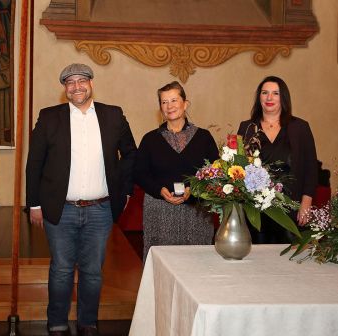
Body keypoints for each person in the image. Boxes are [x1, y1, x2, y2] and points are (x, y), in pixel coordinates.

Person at [26, 63, 137, 336]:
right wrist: (34, 203)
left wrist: (124, 192)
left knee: (92, 272)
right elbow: (34, 162)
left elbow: (130, 155)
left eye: (81, 80)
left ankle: (88, 326)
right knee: (61, 270)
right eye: (70, 82)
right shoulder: (50, 117)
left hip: (100, 210)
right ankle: (57, 328)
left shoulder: (113, 115)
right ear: (65, 88)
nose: (76, 86)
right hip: (59, 210)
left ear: (91, 83)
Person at [135, 81, 219, 261]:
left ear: (185, 103)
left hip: (196, 212)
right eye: (164, 102)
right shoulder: (150, 139)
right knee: (162, 263)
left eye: (174, 100)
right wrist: (159, 190)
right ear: (160, 108)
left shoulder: (204, 137)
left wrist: (193, 190)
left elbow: (214, 172)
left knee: (197, 263)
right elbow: (140, 173)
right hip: (159, 211)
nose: (169, 106)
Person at [238, 76, 317, 243]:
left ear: (284, 98)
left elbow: (311, 169)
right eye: (265, 93)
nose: (269, 98)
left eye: (275, 93)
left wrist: (306, 202)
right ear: (259, 97)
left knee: (289, 264)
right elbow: (238, 168)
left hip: (291, 208)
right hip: (256, 210)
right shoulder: (247, 128)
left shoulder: (300, 128)